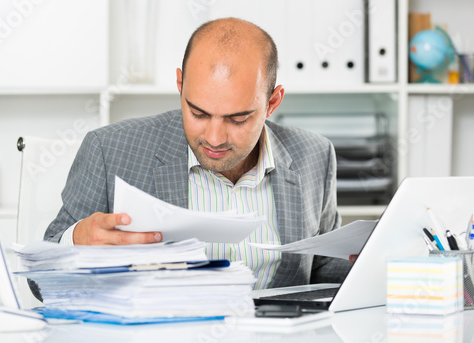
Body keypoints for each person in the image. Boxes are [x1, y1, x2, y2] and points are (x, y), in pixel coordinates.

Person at [44, 17, 351, 289]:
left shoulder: (315, 155)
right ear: (180, 84)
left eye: (238, 118)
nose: (214, 138)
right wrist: (76, 243)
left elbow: (325, 271)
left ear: (272, 102)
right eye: (198, 113)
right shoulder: (109, 150)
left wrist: (375, 261)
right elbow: (39, 279)